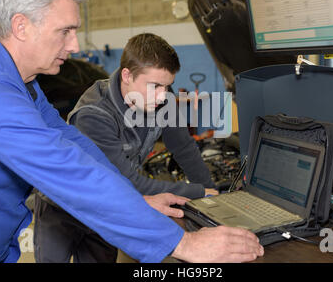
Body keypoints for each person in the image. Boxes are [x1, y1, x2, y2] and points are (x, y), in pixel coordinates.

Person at [0, 0, 264, 263]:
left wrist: (135, 199)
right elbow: (71, 173)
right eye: (65, 31)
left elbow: (74, 145)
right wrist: (182, 243)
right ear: (21, 26)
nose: (74, 45)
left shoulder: (23, 86)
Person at [34, 33, 219, 262]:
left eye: (167, 86)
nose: (163, 96)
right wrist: (197, 192)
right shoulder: (94, 115)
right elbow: (131, 182)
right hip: (62, 207)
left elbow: (184, 147)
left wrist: (213, 196)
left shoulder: (162, 99)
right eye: (155, 86)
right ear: (127, 76)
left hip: (108, 205)